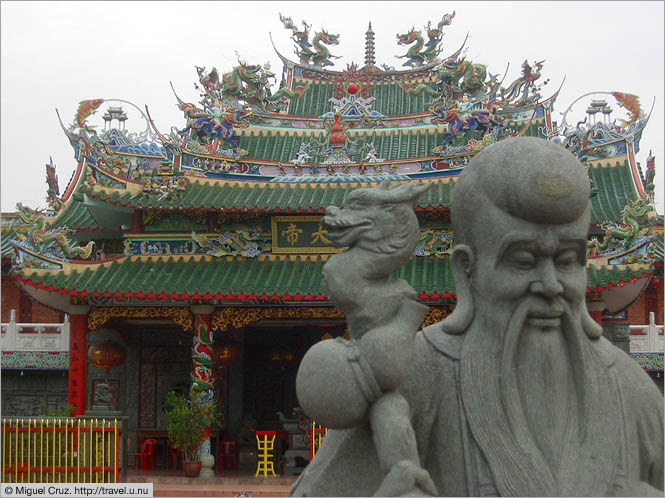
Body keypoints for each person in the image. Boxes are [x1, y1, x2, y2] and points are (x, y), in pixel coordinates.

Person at [291, 137, 663, 497]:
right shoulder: (415, 374)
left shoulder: (632, 393)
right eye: (523, 260)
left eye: (567, 261)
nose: (551, 286)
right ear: (466, 270)